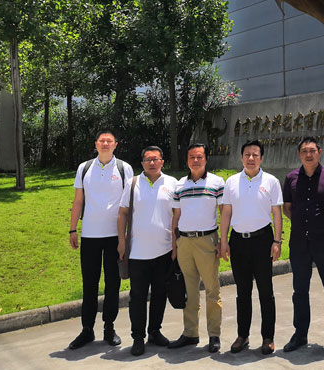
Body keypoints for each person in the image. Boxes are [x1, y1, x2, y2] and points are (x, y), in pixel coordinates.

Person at [68, 129, 132, 350]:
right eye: (101, 141)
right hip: (90, 235)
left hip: (115, 235)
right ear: (96, 144)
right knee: (89, 284)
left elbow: (128, 204)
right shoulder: (84, 168)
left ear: (115, 145)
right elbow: (78, 200)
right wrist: (72, 229)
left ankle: (109, 328)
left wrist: (125, 237)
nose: (105, 144)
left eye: (109, 141)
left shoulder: (124, 168)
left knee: (113, 283)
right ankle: (87, 329)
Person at [282, 136, 324, 354]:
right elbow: (287, 208)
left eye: (312, 150)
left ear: (320, 152)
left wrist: (323, 225)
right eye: (304, 151)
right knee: (300, 290)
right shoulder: (291, 178)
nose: (308, 155)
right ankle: (300, 334)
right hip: (299, 242)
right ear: (299, 154)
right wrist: (303, 224)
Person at [219, 139, 283, 355]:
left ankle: (268, 337)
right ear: (241, 157)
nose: (251, 158)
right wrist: (224, 240)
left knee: (266, 291)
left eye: (255, 155)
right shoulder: (231, 182)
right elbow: (226, 212)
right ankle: (242, 335)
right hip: (238, 241)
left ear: (261, 158)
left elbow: (276, 213)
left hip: (262, 240)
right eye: (247, 154)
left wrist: (277, 241)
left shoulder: (271, 181)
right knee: (242, 291)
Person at [118, 146, 176, 356]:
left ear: (162, 162)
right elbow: (123, 213)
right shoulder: (132, 183)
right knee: (138, 297)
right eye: (148, 160)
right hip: (137, 253)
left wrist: (176, 245)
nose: (152, 163)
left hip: (164, 251)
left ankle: (154, 331)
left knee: (160, 294)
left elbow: (177, 215)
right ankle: (138, 337)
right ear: (142, 163)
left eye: (156, 159)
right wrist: (121, 241)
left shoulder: (172, 183)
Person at [168, 143, 224, 353]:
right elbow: (176, 216)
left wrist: (223, 241)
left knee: (212, 290)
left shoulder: (217, 182)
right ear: (187, 160)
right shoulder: (179, 185)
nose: (196, 160)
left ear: (206, 159)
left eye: (199, 156)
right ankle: (190, 333)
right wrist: (175, 244)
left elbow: (224, 212)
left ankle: (214, 334)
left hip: (207, 240)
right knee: (189, 291)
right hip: (184, 242)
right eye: (192, 157)